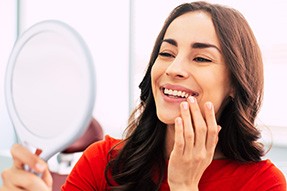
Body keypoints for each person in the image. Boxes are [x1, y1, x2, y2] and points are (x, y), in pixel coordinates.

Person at [1, 1, 286, 191]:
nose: (174, 69)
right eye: (166, 53)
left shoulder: (264, 184)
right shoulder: (102, 161)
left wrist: (184, 186)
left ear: (235, 83)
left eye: (200, 58)